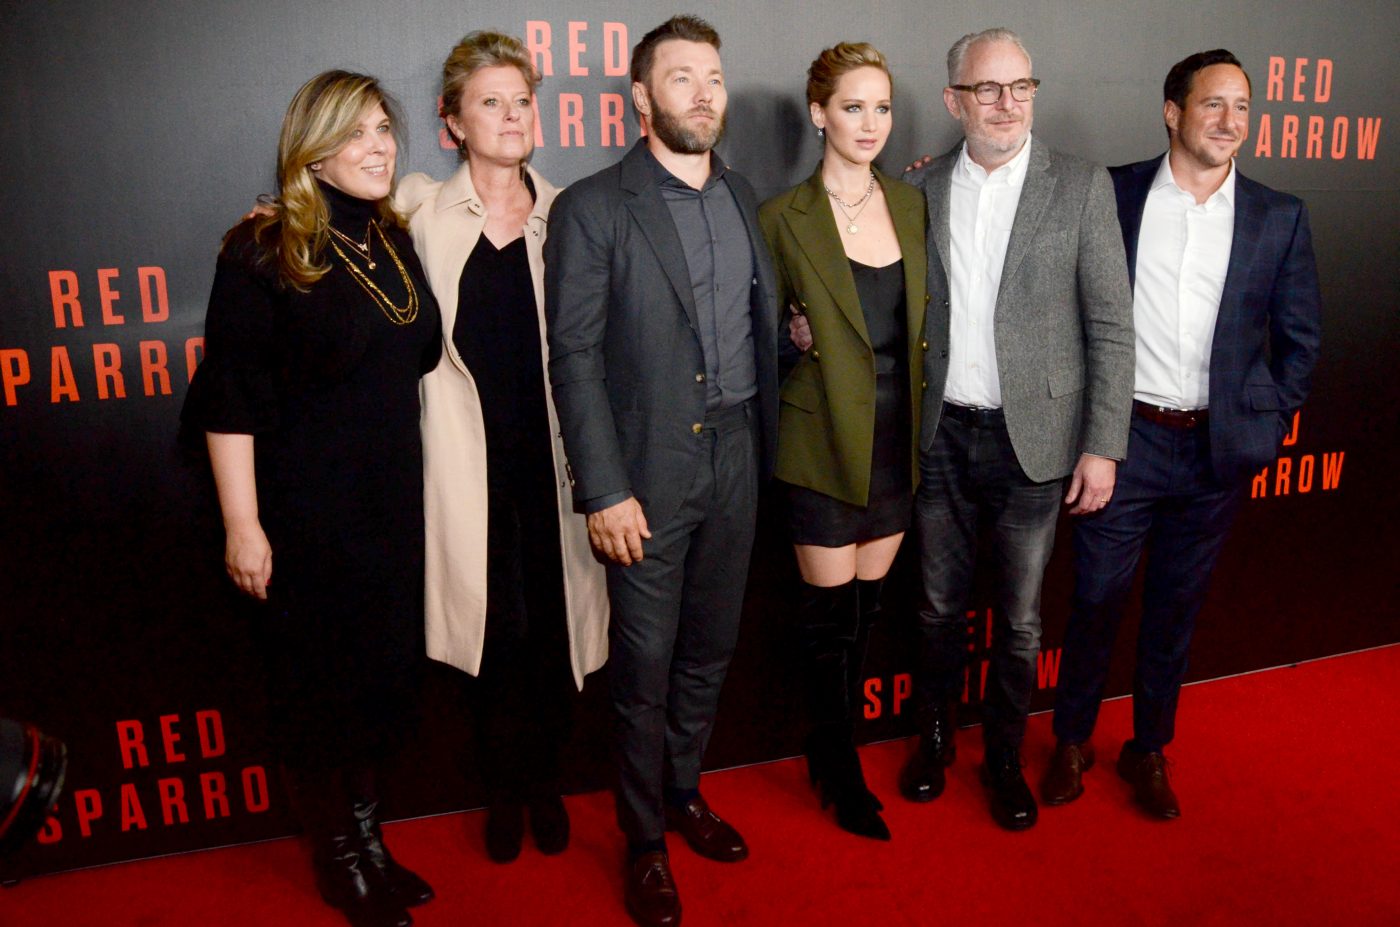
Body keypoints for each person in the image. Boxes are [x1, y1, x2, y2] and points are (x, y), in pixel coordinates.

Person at [182, 71, 439, 927]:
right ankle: (338, 859)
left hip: (390, 512)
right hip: (306, 519)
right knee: (320, 691)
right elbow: (228, 399)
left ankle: (368, 839)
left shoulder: (390, 236)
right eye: (354, 133)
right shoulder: (262, 248)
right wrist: (243, 524)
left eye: (383, 128)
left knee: (377, 686)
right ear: (313, 152)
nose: (378, 146)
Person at [1042, 49, 1321, 819]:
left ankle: (1148, 748)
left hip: (1214, 453)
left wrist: (1262, 421)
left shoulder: (1278, 215)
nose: (1230, 121)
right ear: (1173, 112)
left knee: (1175, 607)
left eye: (1242, 106)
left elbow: (1300, 340)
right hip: (1122, 440)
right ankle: (1071, 740)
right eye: (1212, 104)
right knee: (1095, 597)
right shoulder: (1115, 193)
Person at [544, 15, 778, 927]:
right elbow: (574, 356)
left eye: (713, 77)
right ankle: (644, 841)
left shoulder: (742, 193)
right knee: (642, 669)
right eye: (682, 78)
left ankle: (683, 792)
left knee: (710, 649)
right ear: (641, 97)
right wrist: (603, 488)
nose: (704, 94)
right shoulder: (595, 207)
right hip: (646, 470)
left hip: (738, 454)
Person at [901, 28, 1135, 831]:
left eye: (1021, 87)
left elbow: (1111, 325)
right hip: (939, 436)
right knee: (935, 608)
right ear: (953, 101)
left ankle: (1003, 754)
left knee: (1021, 621)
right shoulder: (919, 188)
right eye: (988, 89)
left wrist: (1103, 444)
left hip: (1035, 441)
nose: (1007, 104)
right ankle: (934, 739)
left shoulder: (1081, 185)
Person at [396, 30, 609, 864]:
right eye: (491, 102)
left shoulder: (573, 214)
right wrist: (275, 216)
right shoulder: (416, 210)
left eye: (523, 100)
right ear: (452, 122)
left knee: (554, 626)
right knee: (490, 635)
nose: (513, 115)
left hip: (553, 458)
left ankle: (545, 780)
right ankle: (502, 788)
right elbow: (333, 215)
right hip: (463, 466)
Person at [758, 42, 927, 841]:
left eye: (881, 107)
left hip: (897, 442)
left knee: (864, 611)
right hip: (820, 437)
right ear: (818, 113)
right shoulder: (780, 217)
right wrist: (790, 339)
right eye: (853, 107)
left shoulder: (914, 205)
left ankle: (831, 748)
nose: (870, 123)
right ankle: (838, 766)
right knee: (828, 622)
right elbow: (755, 334)